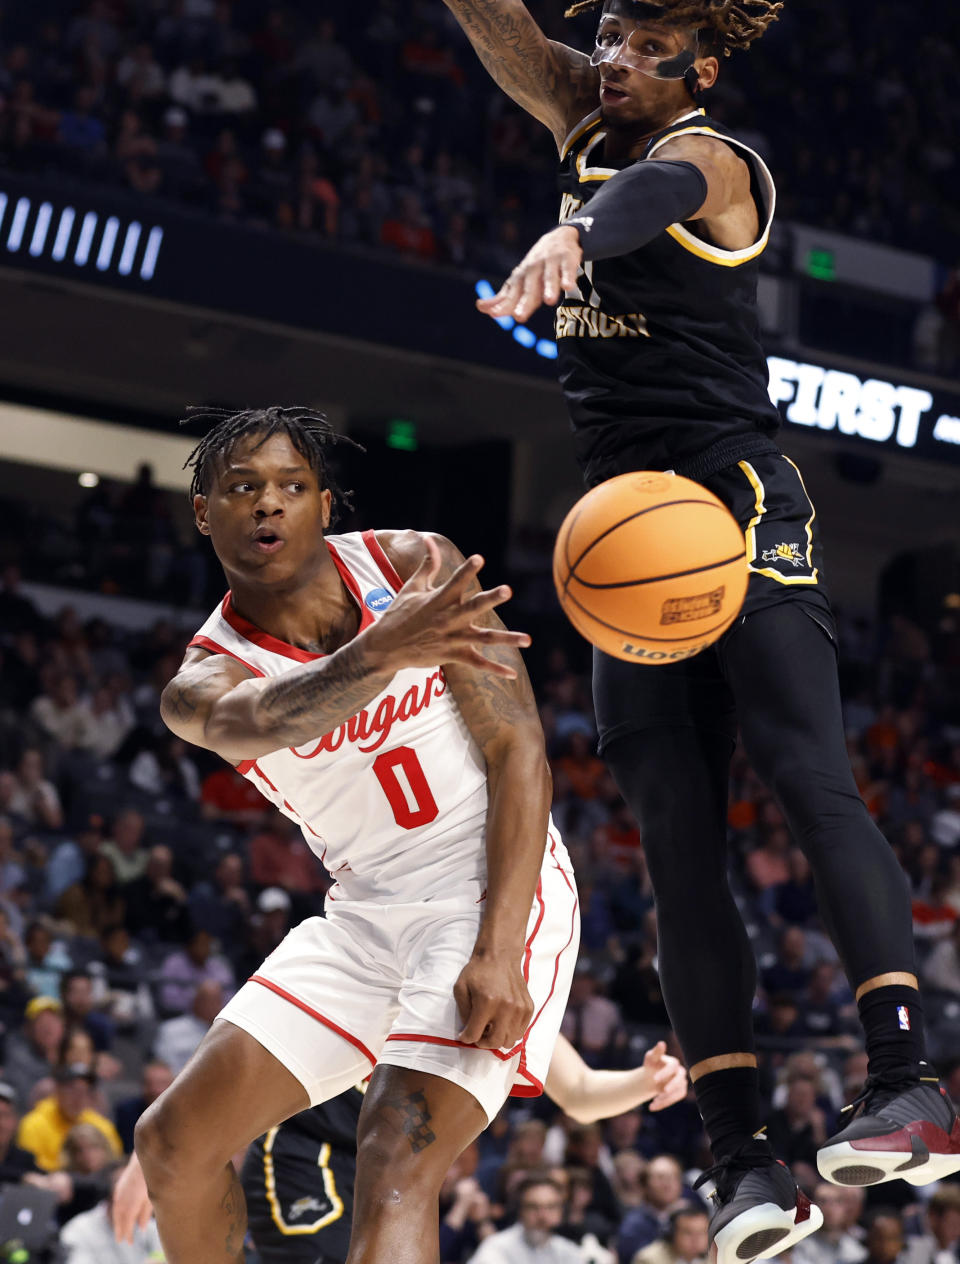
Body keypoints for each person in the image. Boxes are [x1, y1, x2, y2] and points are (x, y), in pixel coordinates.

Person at [388, 0, 960, 1263]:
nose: (620, 61)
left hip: (733, 498)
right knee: (675, 845)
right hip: (619, 529)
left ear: (703, 72)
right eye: (611, 41)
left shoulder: (713, 161)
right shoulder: (582, 120)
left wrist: (576, 233)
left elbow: (643, 200)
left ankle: (911, 1085)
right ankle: (743, 1158)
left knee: (806, 771)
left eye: (651, 49)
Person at [132, 404, 580, 1264]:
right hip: (367, 913)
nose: (269, 506)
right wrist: (380, 654)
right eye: (242, 489)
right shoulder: (203, 679)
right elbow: (260, 716)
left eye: (291, 487)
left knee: (397, 1159)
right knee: (174, 1142)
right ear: (203, 513)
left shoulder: (417, 566)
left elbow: (518, 750)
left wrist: (498, 946)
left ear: (325, 504)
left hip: (488, 884)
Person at [113, 1033, 688, 1260]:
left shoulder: (517, 983)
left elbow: (582, 1093)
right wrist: (163, 1148)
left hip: (400, 1181)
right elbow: (258, 1034)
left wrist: (644, 1081)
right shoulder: (390, 934)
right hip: (312, 1158)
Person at [16, 1062, 122, 1171]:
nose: (78, 1098)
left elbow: (115, 1163)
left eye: (85, 1091)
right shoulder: (33, 1124)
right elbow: (31, 1168)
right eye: (72, 1090)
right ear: (57, 1090)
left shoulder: (102, 1126)